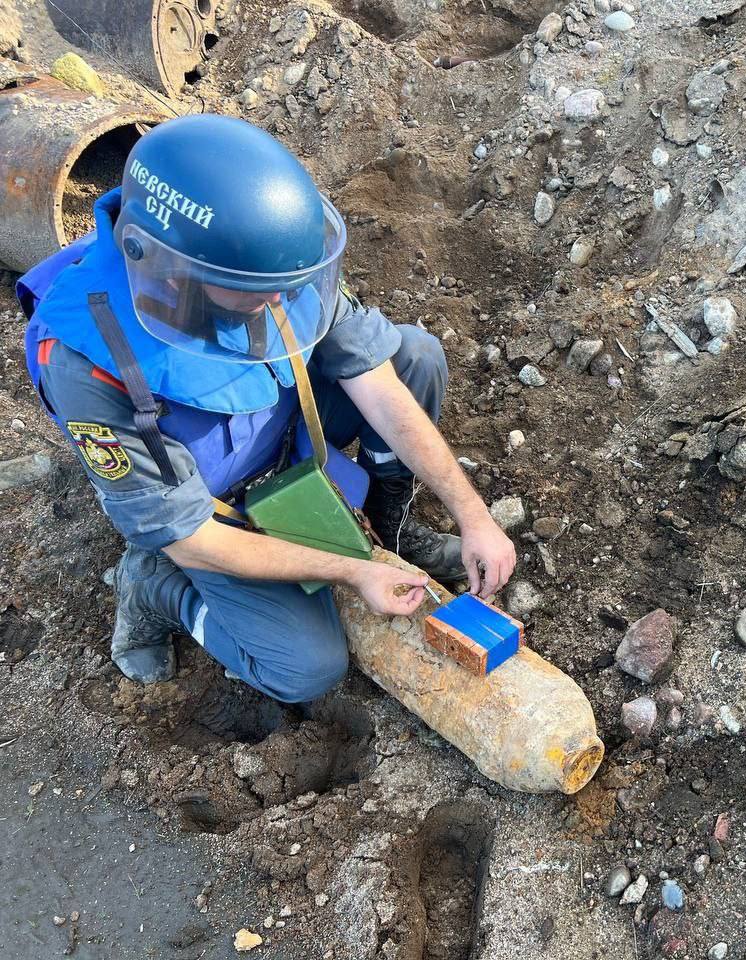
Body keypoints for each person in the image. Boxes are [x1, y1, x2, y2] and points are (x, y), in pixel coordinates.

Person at [18, 114, 515, 702]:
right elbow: (191, 533)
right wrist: (352, 573)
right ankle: (157, 589)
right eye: (260, 289)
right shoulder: (89, 357)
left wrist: (473, 513)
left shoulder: (267, 270)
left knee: (415, 356)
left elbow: (377, 381)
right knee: (304, 670)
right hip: (206, 509)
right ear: (180, 273)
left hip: (282, 436)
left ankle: (389, 531)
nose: (283, 299)